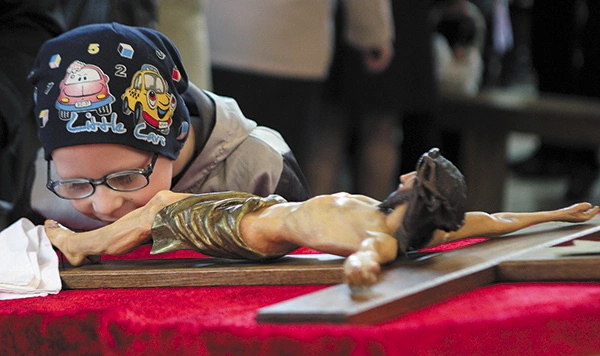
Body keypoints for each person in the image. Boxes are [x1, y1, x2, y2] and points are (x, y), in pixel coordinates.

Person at [44, 148, 599, 288]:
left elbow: (367, 258)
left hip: (255, 231)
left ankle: (81, 247)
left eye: (414, 178)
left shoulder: (379, 237)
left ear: (418, 197)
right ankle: (85, 244)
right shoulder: (392, 216)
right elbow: (496, 219)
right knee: (163, 210)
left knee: (163, 208)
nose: (405, 176)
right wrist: (558, 213)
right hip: (264, 213)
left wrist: (360, 269)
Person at [17, 23, 310, 232]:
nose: (104, 205)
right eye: (77, 185)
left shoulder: (261, 170)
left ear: (174, 136)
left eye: (126, 178)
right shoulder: (44, 183)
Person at [206, 0, 395, 170]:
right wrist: (372, 33)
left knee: (213, 167)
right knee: (278, 175)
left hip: (216, 38)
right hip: (291, 47)